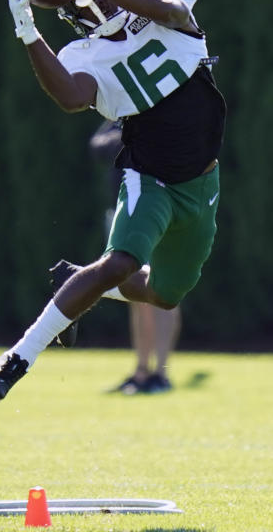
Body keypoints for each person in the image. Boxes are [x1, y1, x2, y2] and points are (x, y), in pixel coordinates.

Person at [0, 0, 226, 401]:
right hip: (148, 175)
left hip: (201, 182)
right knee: (121, 262)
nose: (96, 3)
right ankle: (19, 357)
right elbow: (73, 98)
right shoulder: (83, 53)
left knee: (164, 293)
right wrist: (28, 31)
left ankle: (77, 282)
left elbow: (170, 11)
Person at [88, 120, 181, 395]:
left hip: (160, 210)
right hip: (123, 213)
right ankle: (141, 371)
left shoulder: (170, 105)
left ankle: (160, 374)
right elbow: (97, 147)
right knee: (134, 292)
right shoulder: (122, 110)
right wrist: (128, 138)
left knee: (165, 291)